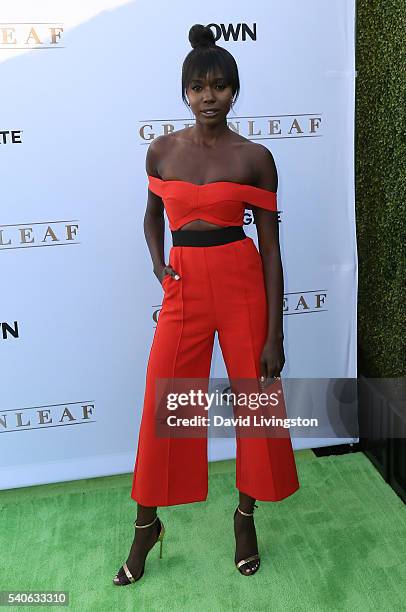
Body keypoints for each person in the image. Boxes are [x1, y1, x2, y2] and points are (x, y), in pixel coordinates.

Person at [113, 23, 300, 586]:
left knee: (257, 407)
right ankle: (147, 525)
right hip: (185, 288)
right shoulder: (162, 150)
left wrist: (276, 334)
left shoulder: (255, 158)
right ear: (185, 93)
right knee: (164, 406)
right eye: (199, 87)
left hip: (243, 284)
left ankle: (245, 518)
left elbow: (271, 250)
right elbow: (152, 214)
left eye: (220, 86)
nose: (209, 97)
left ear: (234, 92)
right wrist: (157, 263)